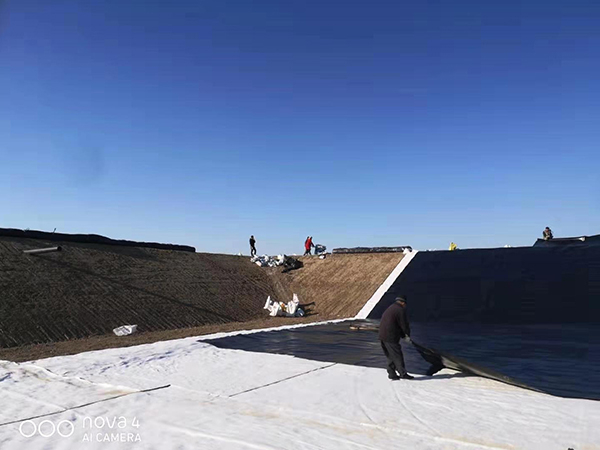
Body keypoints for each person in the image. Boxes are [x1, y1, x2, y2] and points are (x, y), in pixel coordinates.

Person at [378, 296, 414, 380]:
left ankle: (392, 374)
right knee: (397, 355)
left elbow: (395, 324)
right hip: (390, 336)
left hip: (382, 335)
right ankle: (403, 374)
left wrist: (402, 335)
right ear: (403, 303)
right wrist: (407, 335)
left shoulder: (391, 308)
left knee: (391, 355)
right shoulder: (400, 310)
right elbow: (404, 325)